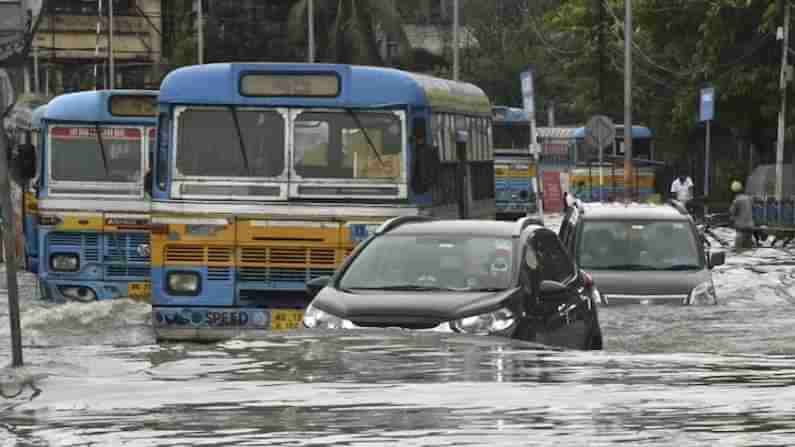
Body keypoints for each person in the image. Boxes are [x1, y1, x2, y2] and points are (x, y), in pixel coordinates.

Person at [729, 180, 754, 250]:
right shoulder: (749, 198)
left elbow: (732, 212)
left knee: (738, 249)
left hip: (741, 227)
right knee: (748, 249)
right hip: (750, 226)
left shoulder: (736, 200)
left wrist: (731, 219)